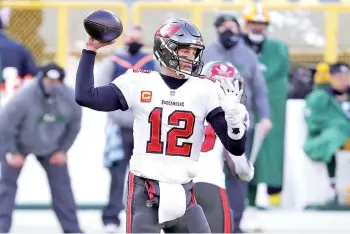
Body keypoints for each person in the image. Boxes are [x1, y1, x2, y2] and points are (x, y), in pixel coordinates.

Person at [75, 19, 251, 233]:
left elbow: (236, 148)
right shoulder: (139, 82)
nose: (190, 57)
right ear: (165, 50)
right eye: (184, 51)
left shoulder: (206, 89)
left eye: (194, 52)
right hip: (145, 191)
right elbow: (86, 96)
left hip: (185, 192)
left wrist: (234, 121)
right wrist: (90, 50)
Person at [202, 14, 271, 232]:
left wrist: (266, 116)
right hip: (208, 121)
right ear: (216, 29)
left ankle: (235, 221)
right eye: (223, 26)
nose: (228, 30)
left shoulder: (248, 55)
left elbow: (259, 90)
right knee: (206, 171)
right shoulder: (206, 53)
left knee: (237, 175)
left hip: (239, 120)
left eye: (232, 26)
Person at [0, 63, 83, 233]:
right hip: (19, 144)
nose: (52, 84)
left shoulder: (71, 98)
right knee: (6, 186)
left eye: (56, 80)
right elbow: (5, 125)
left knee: (62, 187)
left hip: (52, 148)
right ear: (41, 79)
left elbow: (74, 126)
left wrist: (62, 150)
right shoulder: (23, 97)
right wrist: (12, 151)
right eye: (48, 79)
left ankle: (72, 229)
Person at [95, 25, 155, 233]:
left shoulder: (150, 63)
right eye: (130, 38)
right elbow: (102, 91)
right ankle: (111, 217)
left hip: (144, 129)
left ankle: (145, 216)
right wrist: (118, 117)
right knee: (117, 175)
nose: (133, 42)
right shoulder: (113, 62)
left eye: (137, 38)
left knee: (146, 176)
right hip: (120, 128)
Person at [193, 61, 254, 233]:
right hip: (210, 183)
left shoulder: (184, 101)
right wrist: (247, 171)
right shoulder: (236, 111)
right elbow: (239, 164)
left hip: (176, 184)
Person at [242, 2, 290, 207]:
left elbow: (277, 74)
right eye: (254, 23)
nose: (257, 27)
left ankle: (274, 197)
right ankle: (245, 198)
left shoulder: (277, 49)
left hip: (268, 110)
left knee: (270, 152)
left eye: (261, 23)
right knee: (244, 151)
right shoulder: (237, 47)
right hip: (245, 108)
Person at [304, 63, 350, 180]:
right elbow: (314, 121)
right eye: (339, 78)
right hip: (333, 136)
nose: (343, 81)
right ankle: (332, 183)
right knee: (331, 141)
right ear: (331, 78)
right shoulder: (321, 97)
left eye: (346, 77)